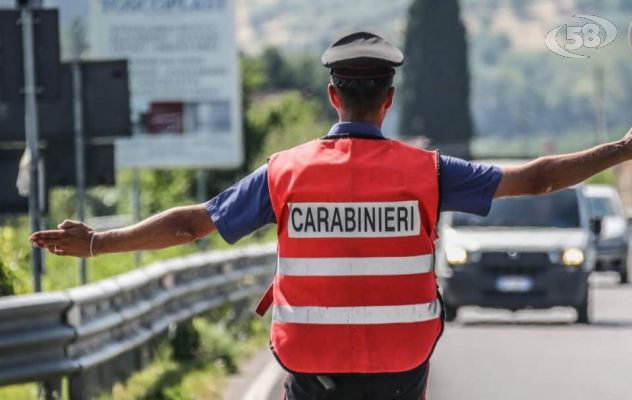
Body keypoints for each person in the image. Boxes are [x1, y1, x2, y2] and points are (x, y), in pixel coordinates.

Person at [30, 31, 632, 400]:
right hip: (400, 367)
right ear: (388, 100)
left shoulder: (285, 172)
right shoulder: (428, 171)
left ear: (333, 95)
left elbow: (192, 224)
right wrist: (622, 148)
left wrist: (98, 242)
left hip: (311, 368)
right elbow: (541, 176)